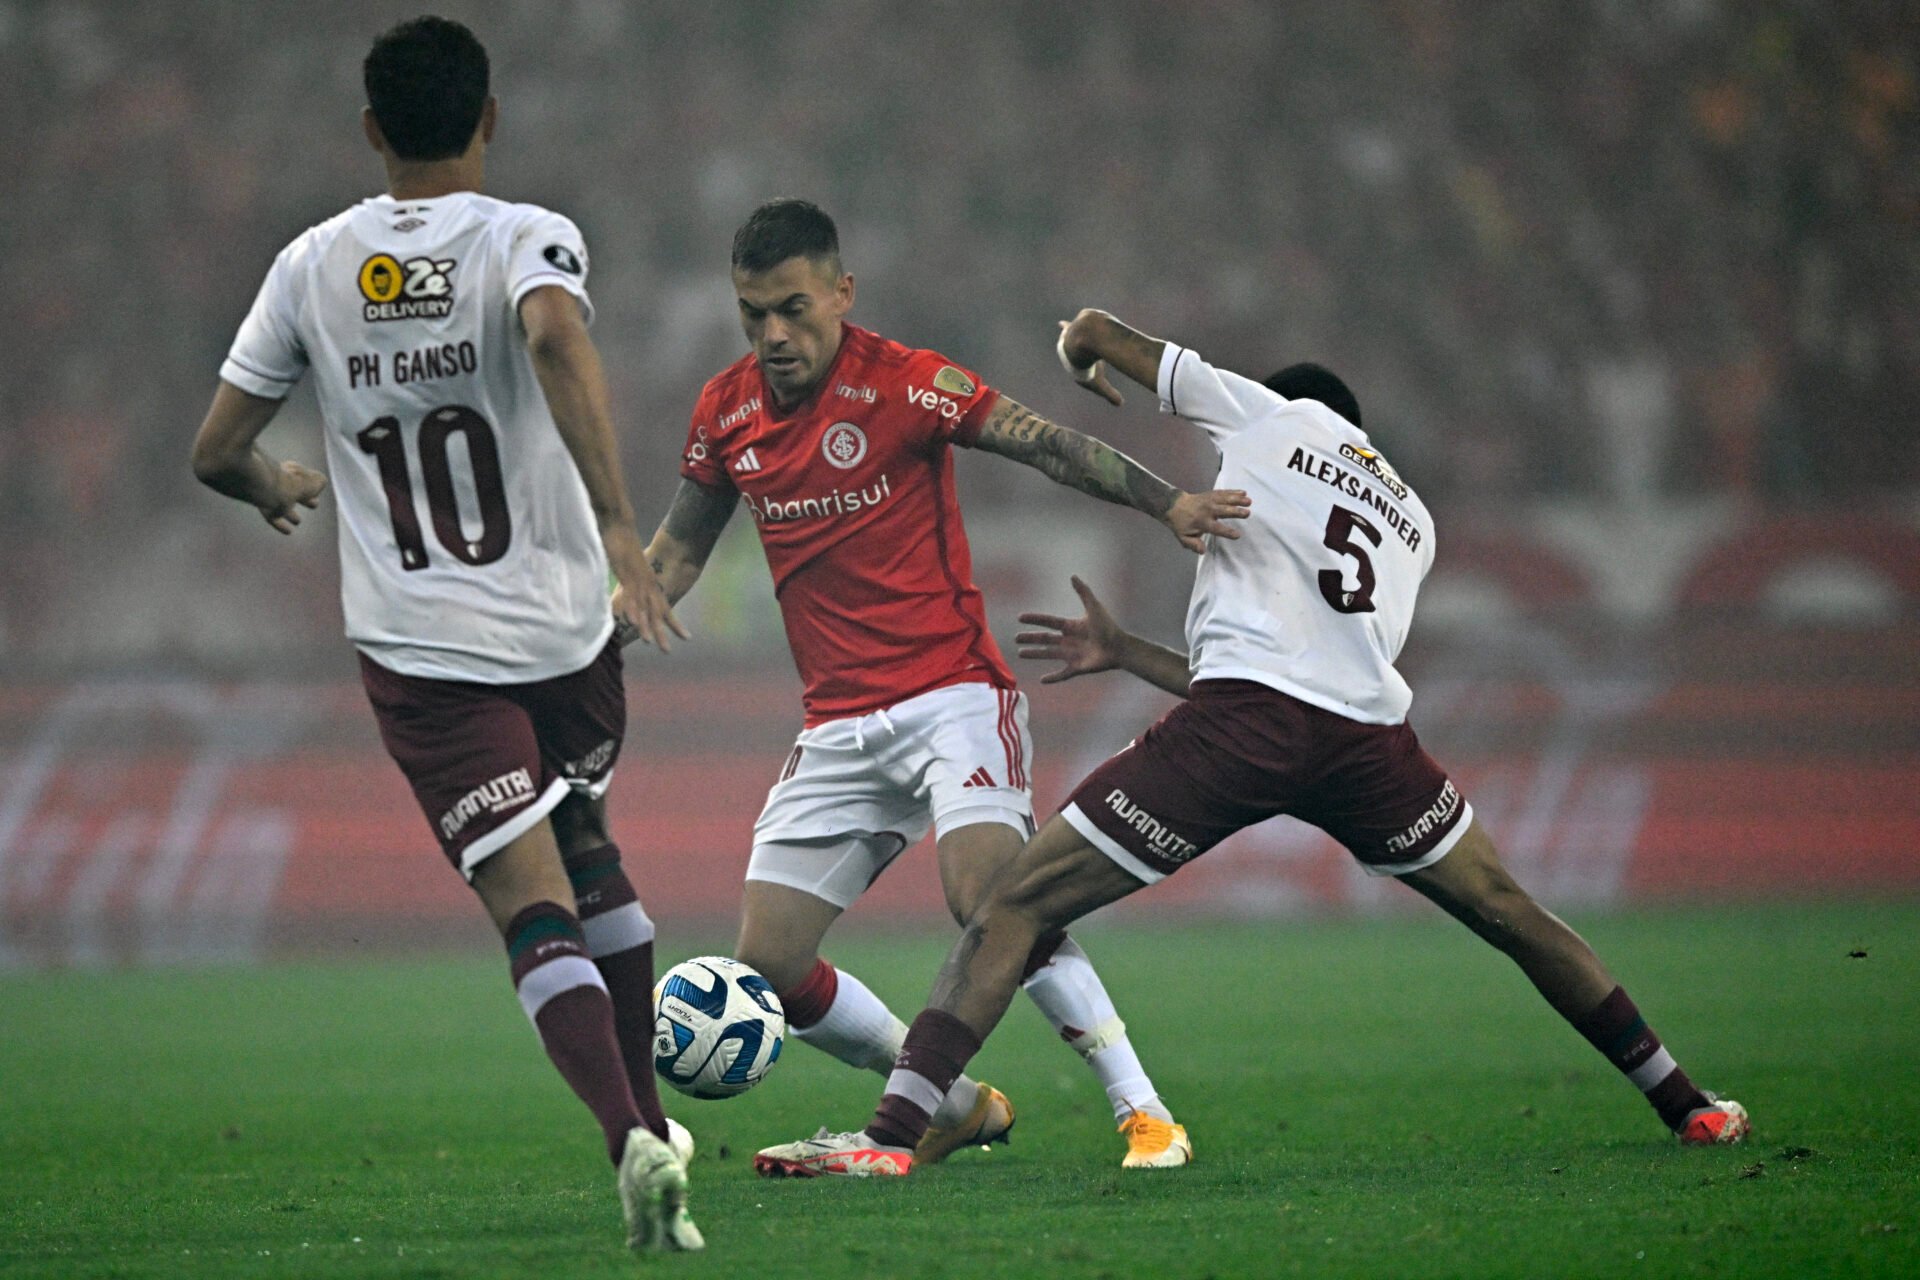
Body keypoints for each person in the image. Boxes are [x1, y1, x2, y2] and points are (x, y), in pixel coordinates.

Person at [753, 307, 1750, 1176]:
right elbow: (1315, 674)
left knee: (1011, 901)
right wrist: (1129, 649)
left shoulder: (1276, 413)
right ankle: (1687, 1101)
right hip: (1367, 742)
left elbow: (1114, 335)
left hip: (1241, 728)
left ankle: (893, 1132)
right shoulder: (1413, 519)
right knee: (1511, 910)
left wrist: (1079, 350)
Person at [187, 17, 702, 1252]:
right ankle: (653, 1124)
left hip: (423, 651)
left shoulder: (309, 264)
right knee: (589, 853)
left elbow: (214, 449)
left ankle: (626, 1131)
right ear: (491, 118)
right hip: (567, 629)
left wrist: (273, 484)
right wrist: (625, 530)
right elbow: (555, 332)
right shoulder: (530, 235)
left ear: (371, 131)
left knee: (530, 905)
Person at [641, 200, 1249, 1175]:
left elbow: (1045, 439)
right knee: (770, 961)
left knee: (991, 894)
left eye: (794, 308)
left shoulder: (907, 382)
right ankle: (954, 1102)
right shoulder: (726, 410)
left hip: (949, 693)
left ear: (842, 292)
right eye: (754, 314)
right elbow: (673, 553)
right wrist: (609, 616)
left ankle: (1144, 1110)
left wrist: (1167, 500)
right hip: (837, 720)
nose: (775, 335)